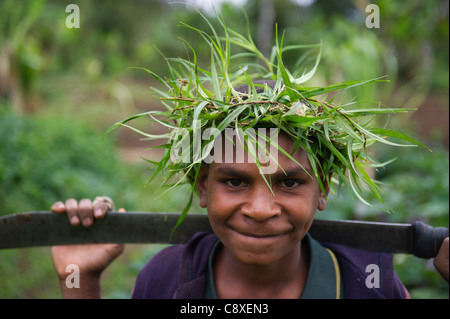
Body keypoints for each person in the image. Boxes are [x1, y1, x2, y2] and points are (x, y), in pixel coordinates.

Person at [50, 129, 448, 299]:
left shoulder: (368, 283)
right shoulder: (166, 278)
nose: (260, 210)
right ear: (203, 186)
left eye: (290, 182)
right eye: (235, 182)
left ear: (322, 189)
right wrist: (80, 282)